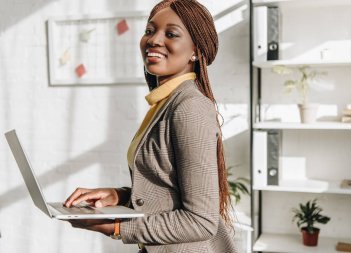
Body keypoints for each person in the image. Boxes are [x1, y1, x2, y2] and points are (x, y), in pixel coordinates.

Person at [64, 0, 238, 252]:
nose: (154, 40)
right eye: (149, 30)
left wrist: (118, 226)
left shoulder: (190, 107)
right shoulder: (166, 102)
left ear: (194, 50)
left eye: (171, 34)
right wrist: (120, 196)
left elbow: (201, 221)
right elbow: (168, 192)